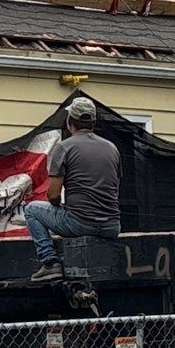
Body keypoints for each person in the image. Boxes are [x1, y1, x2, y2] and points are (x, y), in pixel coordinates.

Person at [23, 97, 122, 280]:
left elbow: (53, 195)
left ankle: (50, 263)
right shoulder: (112, 148)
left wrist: (61, 207)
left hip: (80, 224)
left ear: (70, 121)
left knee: (32, 210)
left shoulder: (64, 147)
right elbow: (114, 188)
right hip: (112, 226)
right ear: (94, 122)